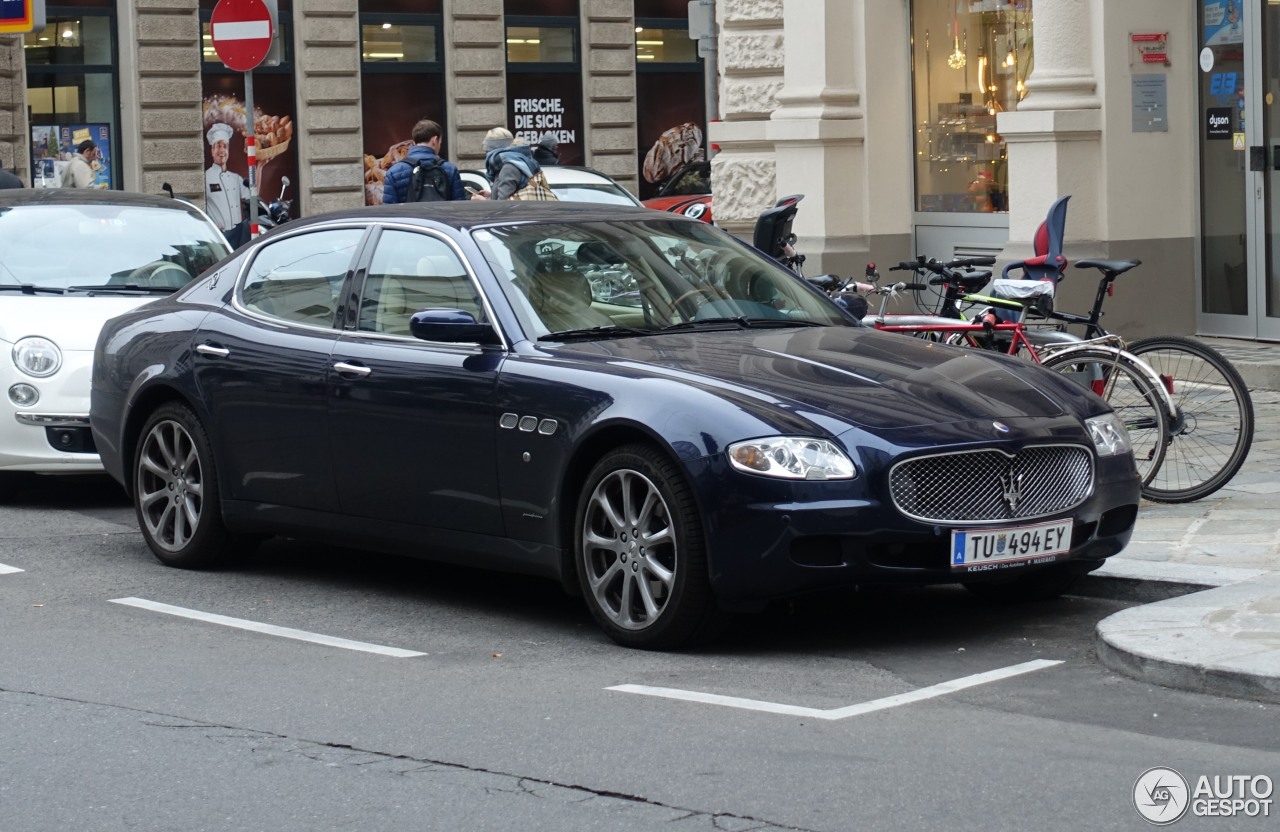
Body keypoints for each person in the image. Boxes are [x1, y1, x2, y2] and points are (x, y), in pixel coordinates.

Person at [382, 119, 466, 203]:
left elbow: (388, 212)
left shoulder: (394, 172)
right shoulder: (450, 170)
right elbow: (460, 208)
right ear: (435, 140)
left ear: (414, 142)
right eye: (440, 142)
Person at [472, 127, 557, 201]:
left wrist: (482, 202)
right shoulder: (520, 161)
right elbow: (514, 196)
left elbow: (503, 206)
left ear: (496, 149)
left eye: (487, 151)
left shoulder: (509, 168)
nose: (487, 156)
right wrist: (491, 196)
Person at [204, 122, 252, 245]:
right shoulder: (206, 178)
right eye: (218, 146)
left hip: (240, 239)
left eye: (225, 146)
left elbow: (252, 194)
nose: (222, 150)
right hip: (219, 239)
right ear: (212, 150)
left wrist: (260, 165)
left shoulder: (236, 178)